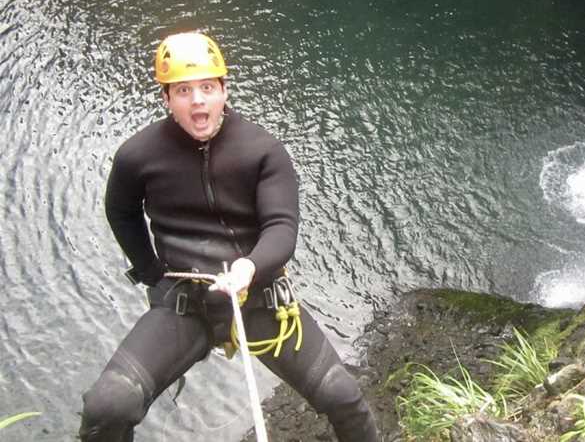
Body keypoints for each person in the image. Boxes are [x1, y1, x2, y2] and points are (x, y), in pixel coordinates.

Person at [79, 32, 378, 441]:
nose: (197, 101)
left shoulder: (262, 151)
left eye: (207, 88)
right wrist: (151, 270)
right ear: (167, 98)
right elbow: (121, 211)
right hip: (185, 304)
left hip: (258, 296)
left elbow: (281, 227)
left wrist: (249, 267)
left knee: (342, 394)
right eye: (183, 91)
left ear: (224, 90)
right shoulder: (138, 156)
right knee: (109, 405)